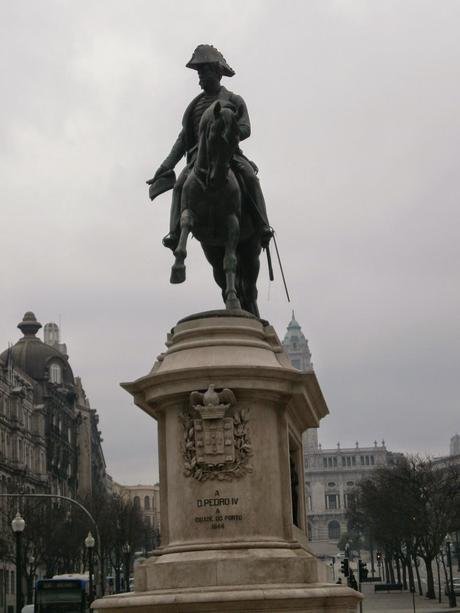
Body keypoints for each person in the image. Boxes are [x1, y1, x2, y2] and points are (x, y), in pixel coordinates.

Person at [147, 44, 272, 251]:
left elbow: (245, 127)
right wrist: (165, 166)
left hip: (228, 154)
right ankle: (174, 232)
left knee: (250, 177)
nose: (199, 78)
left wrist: (228, 135)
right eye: (198, 73)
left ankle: (263, 225)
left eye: (203, 72)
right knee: (179, 186)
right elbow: (183, 140)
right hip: (199, 158)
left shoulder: (233, 100)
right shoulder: (195, 105)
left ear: (216, 72)